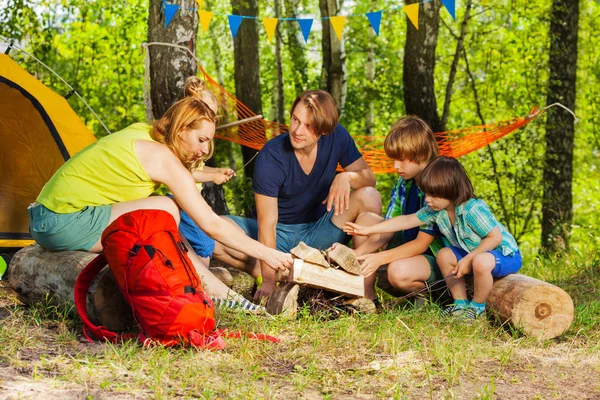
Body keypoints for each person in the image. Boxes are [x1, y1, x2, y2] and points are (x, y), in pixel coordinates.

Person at [28, 96, 293, 309]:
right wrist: (268, 253)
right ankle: (210, 290)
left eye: (208, 142)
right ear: (180, 130)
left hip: (47, 216)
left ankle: (206, 283)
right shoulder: (163, 157)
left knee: (163, 207)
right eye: (201, 140)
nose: (204, 150)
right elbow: (211, 224)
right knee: (166, 208)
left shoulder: (146, 134)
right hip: (60, 221)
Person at [213, 90, 381, 301]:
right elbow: (267, 224)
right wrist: (267, 281)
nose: (297, 130)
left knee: (370, 196)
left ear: (324, 131)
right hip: (280, 238)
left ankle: (362, 289)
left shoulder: (337, 136)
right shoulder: (271, 155)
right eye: (295, 120)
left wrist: (347, 177)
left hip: (322, 230)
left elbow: (368, 178)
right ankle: (291, 272)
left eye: (308, 126)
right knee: (215, 232)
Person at [345, 156, 522, 321]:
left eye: (433, 195)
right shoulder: (437, 211)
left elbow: (495, 237)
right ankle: (460, 304)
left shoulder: (472, 209)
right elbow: (406, 220)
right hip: (474, 255)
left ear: (451, 190)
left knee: (481, 261)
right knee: (444, 255)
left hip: (503, 254)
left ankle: (477, 309)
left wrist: (469, 259)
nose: (428, 200)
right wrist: (368, 229)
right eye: (426, 194)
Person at [331, 116, 444, 303]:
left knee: (397, 272)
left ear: (421, 154)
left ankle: (433, 295)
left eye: (401, 159)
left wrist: (379, 258)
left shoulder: (436, 185)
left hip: (437, 258)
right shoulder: (404, 183)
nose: (395, 166)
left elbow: (422, 244)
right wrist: (356, 254)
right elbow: (389, 228)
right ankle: (365, 295)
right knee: (367, 219)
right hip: (407, 243)